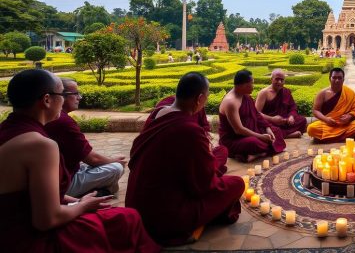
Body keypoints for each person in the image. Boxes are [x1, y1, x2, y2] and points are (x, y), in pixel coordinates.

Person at [0, 69, 159, 253]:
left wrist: (75, 201)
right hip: (26, 239)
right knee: (127, 218)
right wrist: (82, 206)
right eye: (62, 95)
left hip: (11, 227)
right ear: (46, 100)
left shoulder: (8, 130)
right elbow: (46, 220)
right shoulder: (40, 145)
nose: (68, 100)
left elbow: (29, 194)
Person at [126, 72, 244, 246]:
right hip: (164, 218)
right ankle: (187, 226)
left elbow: (135, 158)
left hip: (135, 205)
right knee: (236, 184)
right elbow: (204, 185)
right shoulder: (188, 129)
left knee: (218, 156)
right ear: (200, 98)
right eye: (207, 97)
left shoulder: (159, 113)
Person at [44, 78, 126, 197]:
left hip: (61, 174)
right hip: (62, 184)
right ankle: (99, 192)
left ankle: (103, 189)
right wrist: (114, 160)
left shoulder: (52, 116)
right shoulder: (62, 121)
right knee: (116, 168)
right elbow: (92, 159)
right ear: (61, 96)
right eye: (75, 93)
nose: (80, 97)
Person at [218, 70, 286, 162]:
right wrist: (261, 137)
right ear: (244, 85)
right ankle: (257, 153)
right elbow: (238, 130)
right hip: (234, 139)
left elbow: (256, 114)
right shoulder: (231, 102)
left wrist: (267, 128)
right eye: (252, 84)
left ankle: (255, 154)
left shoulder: (245, 95)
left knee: (276, 131)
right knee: (252, 143)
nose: (253, 87)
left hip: (251, 130)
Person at [307, 68, 355, 143]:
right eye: (334, 77)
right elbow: (315, 110)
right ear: (330, 78)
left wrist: (349, 116)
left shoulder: (349, 92)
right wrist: (326, 119)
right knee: (311, 129)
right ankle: (349, 137)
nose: (337, 80)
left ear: (343, 79)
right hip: (328, 125)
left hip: (345, 125)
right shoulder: (322, 93)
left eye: (339, 78)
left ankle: (326, 138)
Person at [255, 69, 308, 138]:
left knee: (303, 120)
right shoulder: (264, 93)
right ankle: (288, 135)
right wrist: (272, 119)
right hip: (270, 121)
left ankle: (282, 134)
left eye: (282, 80)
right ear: (271, 79)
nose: (279, 82)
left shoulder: (286, 91)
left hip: (284, 121)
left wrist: (291, 116)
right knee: (264, 128)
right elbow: (256, 113)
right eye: (277, 79)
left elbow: (293, 107)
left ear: (284, 81)